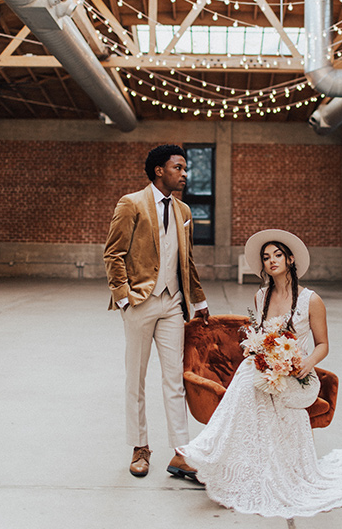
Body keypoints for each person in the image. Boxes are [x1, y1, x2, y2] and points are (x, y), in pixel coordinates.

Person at [178, 229, 342, 518]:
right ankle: (234, 459)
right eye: (266, 257)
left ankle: (213, 450)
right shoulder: (261, 296)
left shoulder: (311, 300)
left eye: (277, 255)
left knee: (253, 380)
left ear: (290, 259)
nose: (272, 261)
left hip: (299, 376)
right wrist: (259, 353)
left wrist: (305, 364)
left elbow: (323, 345)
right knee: (250, 371)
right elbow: (260, 336)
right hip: (269, 371)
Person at [104, 144, 209, 480]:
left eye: (185, 168)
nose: (184, 173)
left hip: (173, 303)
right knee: (135, 377)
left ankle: (181, 452)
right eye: (178, 167)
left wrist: (199, 299)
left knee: (174, 380)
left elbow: (186, 260)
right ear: (159, 170)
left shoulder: (184, 210)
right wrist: (123, 298)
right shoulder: (131, 203)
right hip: (140, 302)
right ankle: (140, 447)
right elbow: (114, 254)